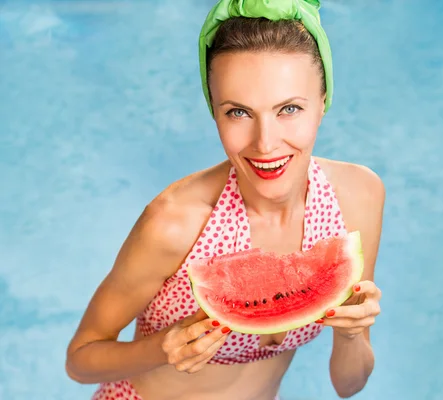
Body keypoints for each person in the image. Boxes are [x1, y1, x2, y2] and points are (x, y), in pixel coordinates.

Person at [65, 0, 385, 399]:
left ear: (323, 101)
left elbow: (348, 385)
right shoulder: (175, 221)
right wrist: (161, 348)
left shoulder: (357, 196)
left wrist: (353, 335)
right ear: (215, 112)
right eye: (238, 113)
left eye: (289, 109)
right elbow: (79, 360)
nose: (265, 143)